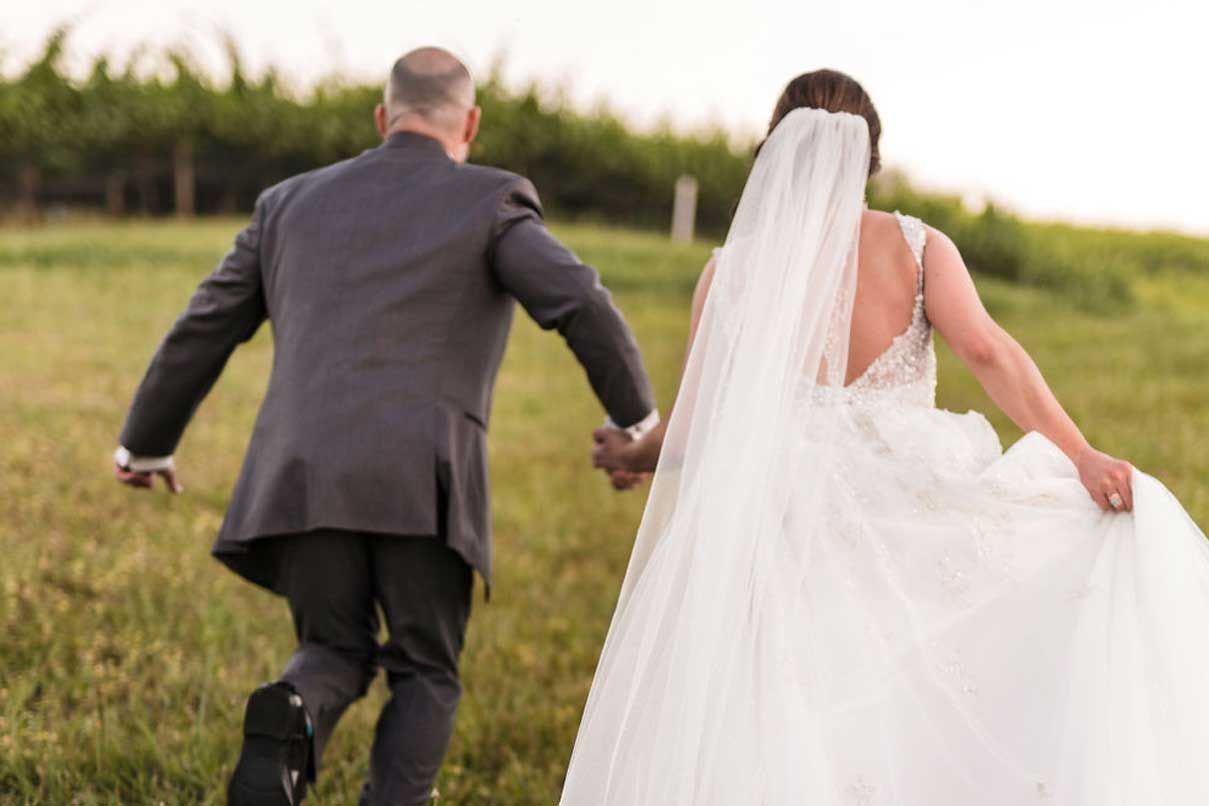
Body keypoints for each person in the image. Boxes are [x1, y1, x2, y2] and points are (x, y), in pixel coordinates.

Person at [564, 70, 1209, 804]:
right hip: (906, 486)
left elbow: (696, 424)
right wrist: (1080, 453)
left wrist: (633, 453)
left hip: (786, 507)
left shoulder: (733, 271)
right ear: (871, 157)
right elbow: (990, 353)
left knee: (794, 688)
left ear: (772, 149)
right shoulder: (917, 244)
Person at [113, 46, 659, 806]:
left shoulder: (287, 203)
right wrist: (637, 425)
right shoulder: (490, 200)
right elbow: (579, 301)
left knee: (331, 648)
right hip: (421, 481)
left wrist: (146, 442)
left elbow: (205, 325)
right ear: (469, 121)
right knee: (424, 668)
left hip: (300, 474)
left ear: (382, 117)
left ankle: (293, 716)